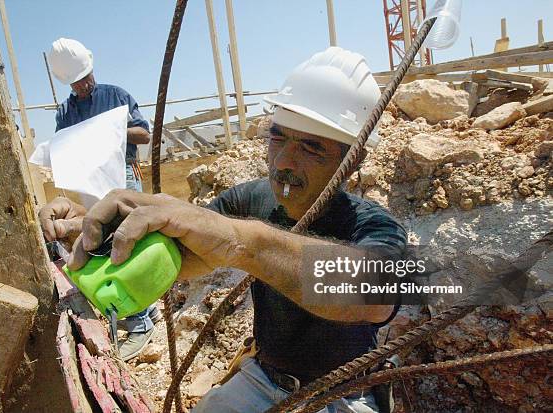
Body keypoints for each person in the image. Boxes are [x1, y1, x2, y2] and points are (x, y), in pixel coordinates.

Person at [41, 47, 407, 412]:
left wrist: (243, 242)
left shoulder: (372, 225)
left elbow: (376, 296)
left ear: (354, 157)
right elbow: (178, 252)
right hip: (261, 382)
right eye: (277, 137)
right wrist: (94, 235)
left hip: (344, 396)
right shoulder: (252, 200)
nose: (282, 162)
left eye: (311, 147)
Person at [47, 37, 160, 361]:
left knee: (127, 241)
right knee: (102, 244)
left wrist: (106, 130)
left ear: (92, 68)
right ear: (68, 81)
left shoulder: (115, 96)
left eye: (86, 76)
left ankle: (139, 324)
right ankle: (145, 312)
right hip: (89, 180)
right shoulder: (66, 111)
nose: (84, 85)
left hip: (121, 175)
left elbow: (143, 134)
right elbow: (63, 147)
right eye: (77, 81)